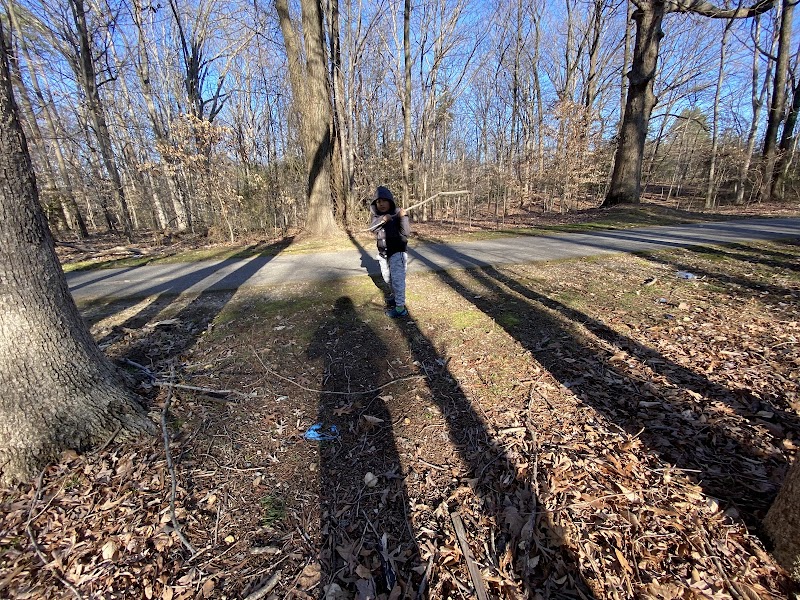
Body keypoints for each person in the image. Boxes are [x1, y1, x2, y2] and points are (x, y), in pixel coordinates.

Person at [369, 186, 410, 318]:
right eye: (378, 201)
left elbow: (406, 233)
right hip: (383, 255)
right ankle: (396, 297)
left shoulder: (398, 213)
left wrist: (403, 218)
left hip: (397, 253)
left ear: (390, 201)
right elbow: (373, 229)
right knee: (388, 278)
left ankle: (400, 308)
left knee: (397, 280)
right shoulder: (377, 217)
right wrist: (382, 220)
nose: (381, 204)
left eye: (384, 200)